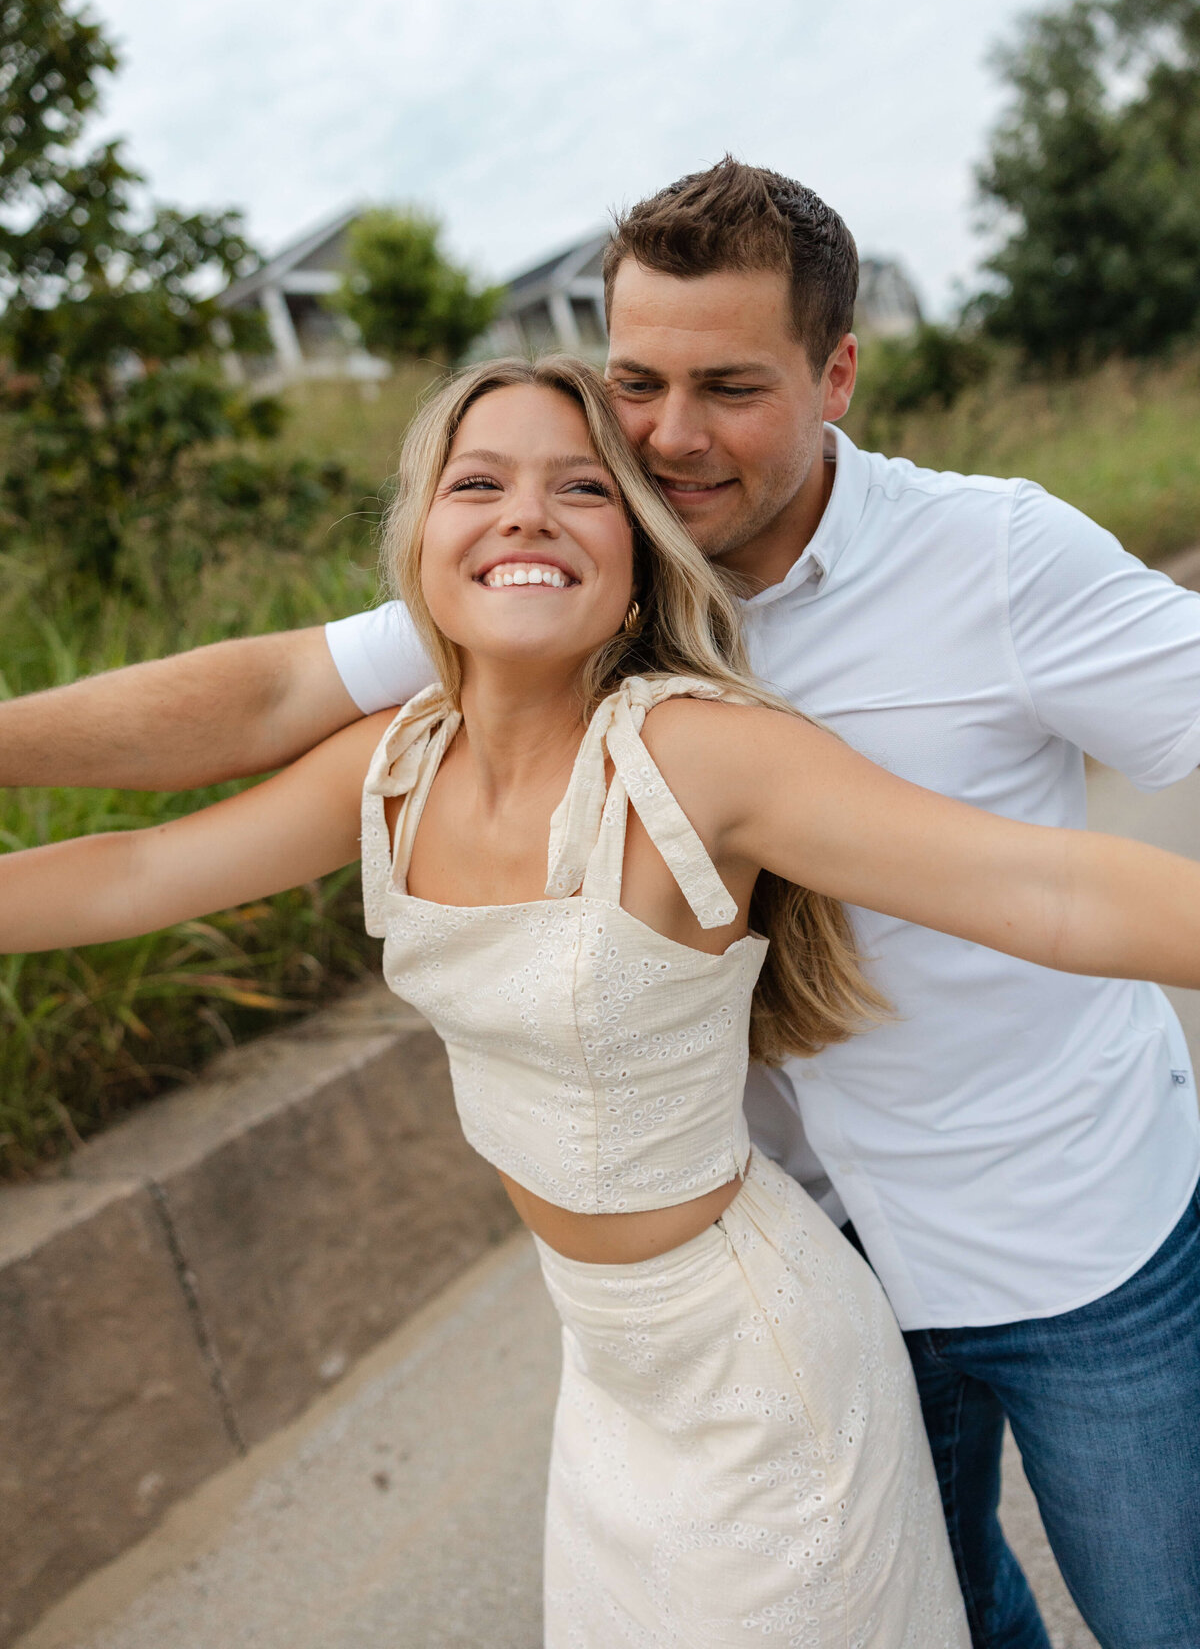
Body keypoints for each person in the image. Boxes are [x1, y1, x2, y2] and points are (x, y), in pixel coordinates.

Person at [2, 160, 1199, 1648]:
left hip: (1058, 1223)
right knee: (942, 1600)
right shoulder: (535, 597)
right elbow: (238, 729)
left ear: (836, 376)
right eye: (637, 381)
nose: (670, 436)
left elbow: (1059, 892)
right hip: (756, 1276)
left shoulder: (960, 579)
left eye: (728, 386)